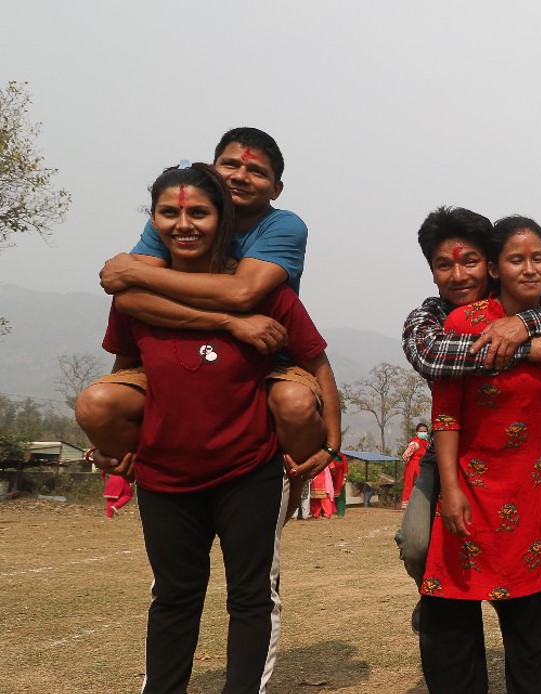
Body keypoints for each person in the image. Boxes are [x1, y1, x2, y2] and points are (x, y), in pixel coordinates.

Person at [80, 162, 341, 693]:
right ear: (153, 220)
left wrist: (332, 445)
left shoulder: (268, 293)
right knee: (173, 596)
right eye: (169, 212)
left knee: (250, 595)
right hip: (164, 475)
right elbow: (125, 374)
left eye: (198, 212)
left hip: (249, 470)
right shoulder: (134, 301)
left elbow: (316, 363)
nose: (184, 224)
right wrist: (109, 443)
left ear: (222, 219)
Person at [77, 128, 327, 518]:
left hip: (262, 356)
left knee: (292, 402)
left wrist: (135, 271)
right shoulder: (179, 218)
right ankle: (149, 475)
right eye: (229, 164)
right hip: (183, 351)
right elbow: (127, 298)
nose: (240, 176)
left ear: (277, 189)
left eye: (256, 172)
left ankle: (288, 481)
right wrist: (227, 321)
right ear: (212, 168)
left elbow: (244, 294)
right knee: (97, 404)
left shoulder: (283, 227)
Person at [419, 215, 541, 694]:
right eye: (517, 259)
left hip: (532, 492)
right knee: (450, 620)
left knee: (534, 627)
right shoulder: (460, 323)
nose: (530, 269)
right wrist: (449, 490)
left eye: (539, 258)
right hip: (468, 488)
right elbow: (447, 414)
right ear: (496, 268)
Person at [395, 205, 541, 588]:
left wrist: (522, 324)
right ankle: (434, 600)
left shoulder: (523, 300)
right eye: (444, 266)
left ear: (489, 265)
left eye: (470, 261)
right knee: (419, 545)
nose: (458, 275)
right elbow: (430, 355)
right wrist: (524, 349)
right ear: (432, 271)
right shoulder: (432, 317)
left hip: (520, 462)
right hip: (449, 455)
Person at [402, 423, 430, 509]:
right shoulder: (415, 443)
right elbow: (405, 455)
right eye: (421, 431)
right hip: (414, 466)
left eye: (425, 431)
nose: (423, 433)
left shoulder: (426, 443)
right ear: (416, 432)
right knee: (412, 485)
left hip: (423, 466)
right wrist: (409, 463)